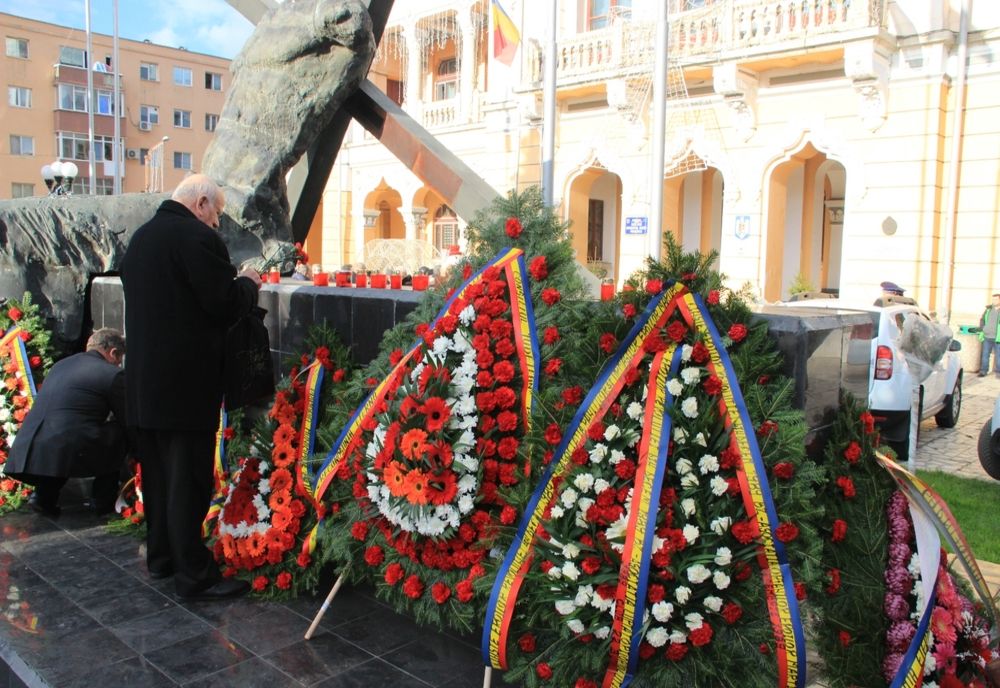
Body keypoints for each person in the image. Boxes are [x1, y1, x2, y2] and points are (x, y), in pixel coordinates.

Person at [121, 174, 261, 601]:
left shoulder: (141, 239)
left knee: (160, 478)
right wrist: (249, 282)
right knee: (188, 481)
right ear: (200, 202)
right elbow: (223, 304)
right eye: (216, 213)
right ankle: (194, 574)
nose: (217, 224)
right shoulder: (196, 239)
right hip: (185, 387)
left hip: (145, 386)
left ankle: (162, 559)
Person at [4, 329, 128, 517]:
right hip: (69, 443)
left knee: (71, 434)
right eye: (119, 358)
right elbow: (127, 415)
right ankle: (103, 499)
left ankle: (43, 496)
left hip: (32, 442)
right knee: (119, 432)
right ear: (113, 353)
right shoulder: (111, 373)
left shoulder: (61, 365)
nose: (119, 363)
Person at [978, 292, 1000, 377]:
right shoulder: (988, 309)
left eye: (996, 299)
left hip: (998, 338)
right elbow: (982, 320)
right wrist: (982, 329)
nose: (994, 301)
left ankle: (998, 372)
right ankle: (983, 371)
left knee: (998, 356)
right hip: (987, 336)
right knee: (985, 355)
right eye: (993, 299)